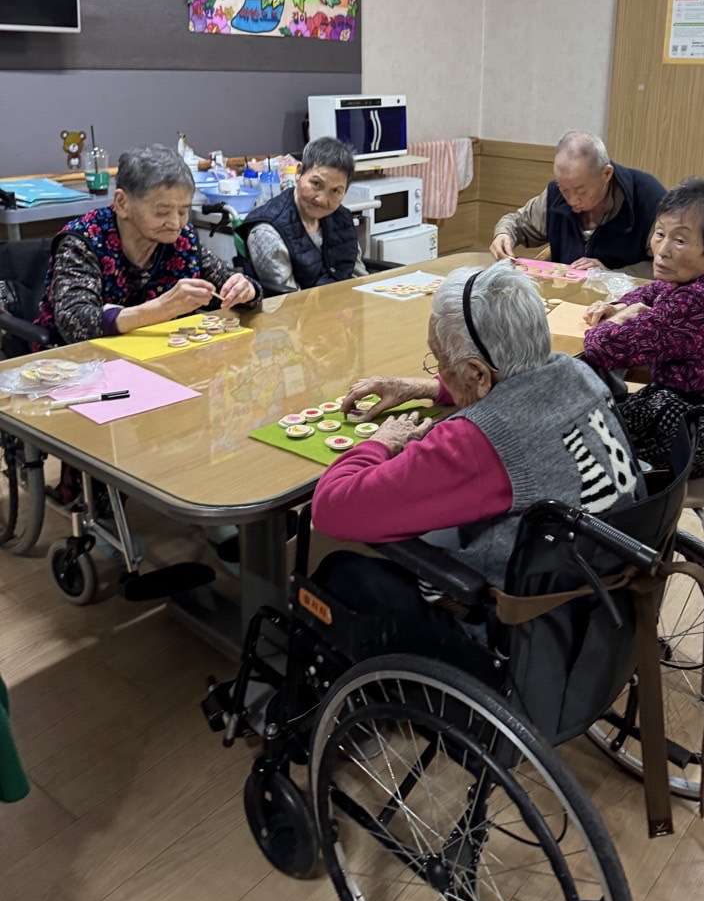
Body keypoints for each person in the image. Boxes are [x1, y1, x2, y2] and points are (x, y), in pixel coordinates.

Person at [311, 263, 643, 630]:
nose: (439, 370)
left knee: (338, 571)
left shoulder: (476, 442)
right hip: (604, 597)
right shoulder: (576, 371)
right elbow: (515, 386)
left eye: (441, 361)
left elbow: (330, 509)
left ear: (478, 374)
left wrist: (380, 442)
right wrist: (423, 387)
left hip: (513, 626)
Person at [582, 177, 704, 477]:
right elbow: (651, 291)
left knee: (577, 431)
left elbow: (601, 348)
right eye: (659, 234)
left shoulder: (693, 304)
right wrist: (617, 306)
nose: (662, 250)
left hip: (697, 434)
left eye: (679, 240)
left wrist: (616, 320)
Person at [36, 143, 260, 345]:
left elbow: (230, 284)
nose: (175, 223)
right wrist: (161, 308)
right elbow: (76, 324)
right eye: (162, 211)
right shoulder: (83, 241)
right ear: (122, 203)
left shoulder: (182, 239)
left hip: (159, 354)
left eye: (183, 211)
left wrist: (246, 290)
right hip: (81, 364)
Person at [489, 131, 665, 273]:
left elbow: (667, 266)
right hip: (566, 297)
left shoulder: (648, 198)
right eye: (564, 189)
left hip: (627, 302)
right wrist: (503, 235)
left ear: (606, 174)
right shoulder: (555, 195)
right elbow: (517, 223)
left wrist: (612, 275)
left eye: (580, 190)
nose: (571, 200)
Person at [238, 137, 364, 291]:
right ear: (298, 173)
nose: (322, 199)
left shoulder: (342, 217)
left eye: (335, 191)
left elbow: (360, 276)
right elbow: (290, 299)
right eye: (316, 184)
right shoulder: (267, 232)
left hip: (346, 303)